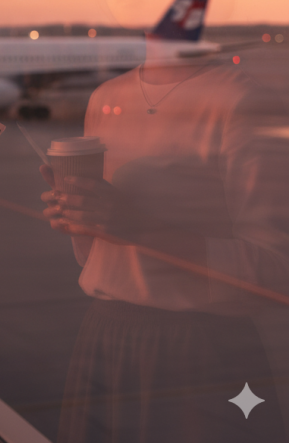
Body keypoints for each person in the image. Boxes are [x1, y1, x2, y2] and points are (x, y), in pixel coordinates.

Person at [41, 35, 289, 442]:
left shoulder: (242, 100)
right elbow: (93, 260)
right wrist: (82, 219)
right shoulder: (107, 97)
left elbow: (274, 270)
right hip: (106, 335)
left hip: (201, 350)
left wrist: (139, 229)